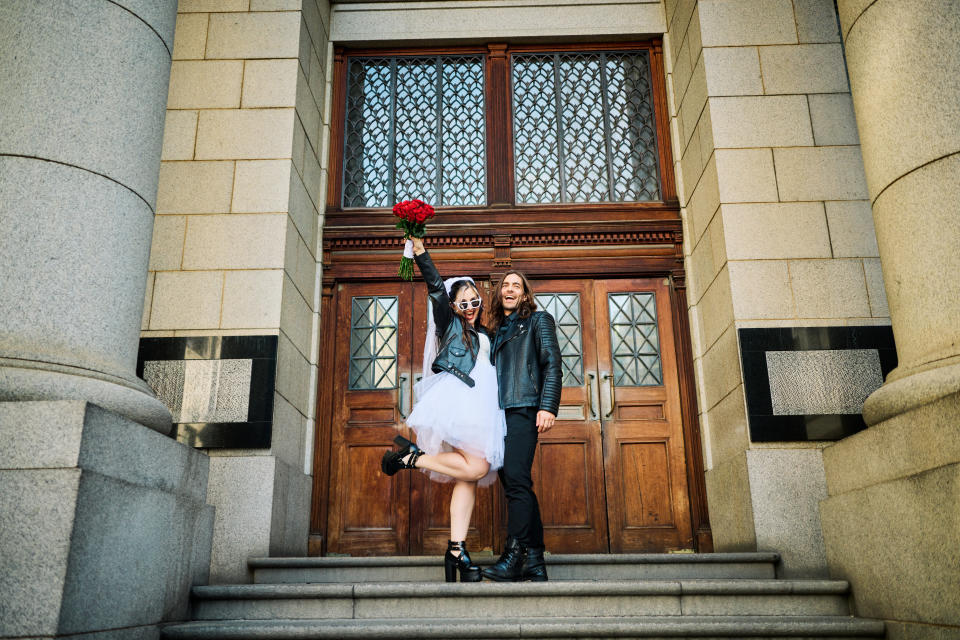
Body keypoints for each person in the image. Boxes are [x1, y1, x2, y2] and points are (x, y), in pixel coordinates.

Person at [380, 236, 506, 583]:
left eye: (474, 301)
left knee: (468, 475)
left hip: (484, 409)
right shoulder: (449, 326)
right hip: (461, 403)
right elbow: (436, 288)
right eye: (463, 303)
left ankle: (456, 550)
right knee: (477, 467)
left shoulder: (486, 334)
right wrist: (420, 251)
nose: (470, 307)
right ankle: (411, 459)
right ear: (452, 307)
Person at [481, 271, 562, 582]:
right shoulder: (496, 330)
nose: (510, 289)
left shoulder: (539, 320)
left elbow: (551, 362)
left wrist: (547, 405)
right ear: (500, 293)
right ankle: (535, 560)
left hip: (525, 407)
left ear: (525, 295)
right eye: (506, 285)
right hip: (498, 413)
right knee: (517, 483)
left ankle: (514, 556)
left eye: (517, 285)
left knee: (515, 479)